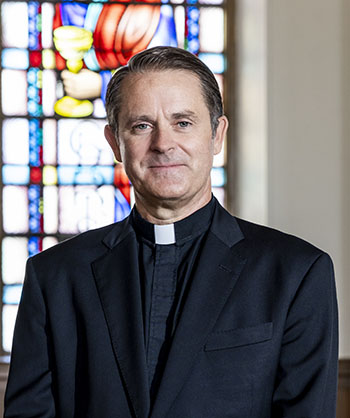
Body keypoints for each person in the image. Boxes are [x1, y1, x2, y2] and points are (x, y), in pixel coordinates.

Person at [4, 47, 338, 418]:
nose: (163, 144)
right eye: (141, 125)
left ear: (216, 135)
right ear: (115, 142)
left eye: (183, 122)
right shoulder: (55, 277)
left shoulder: (296, 273)